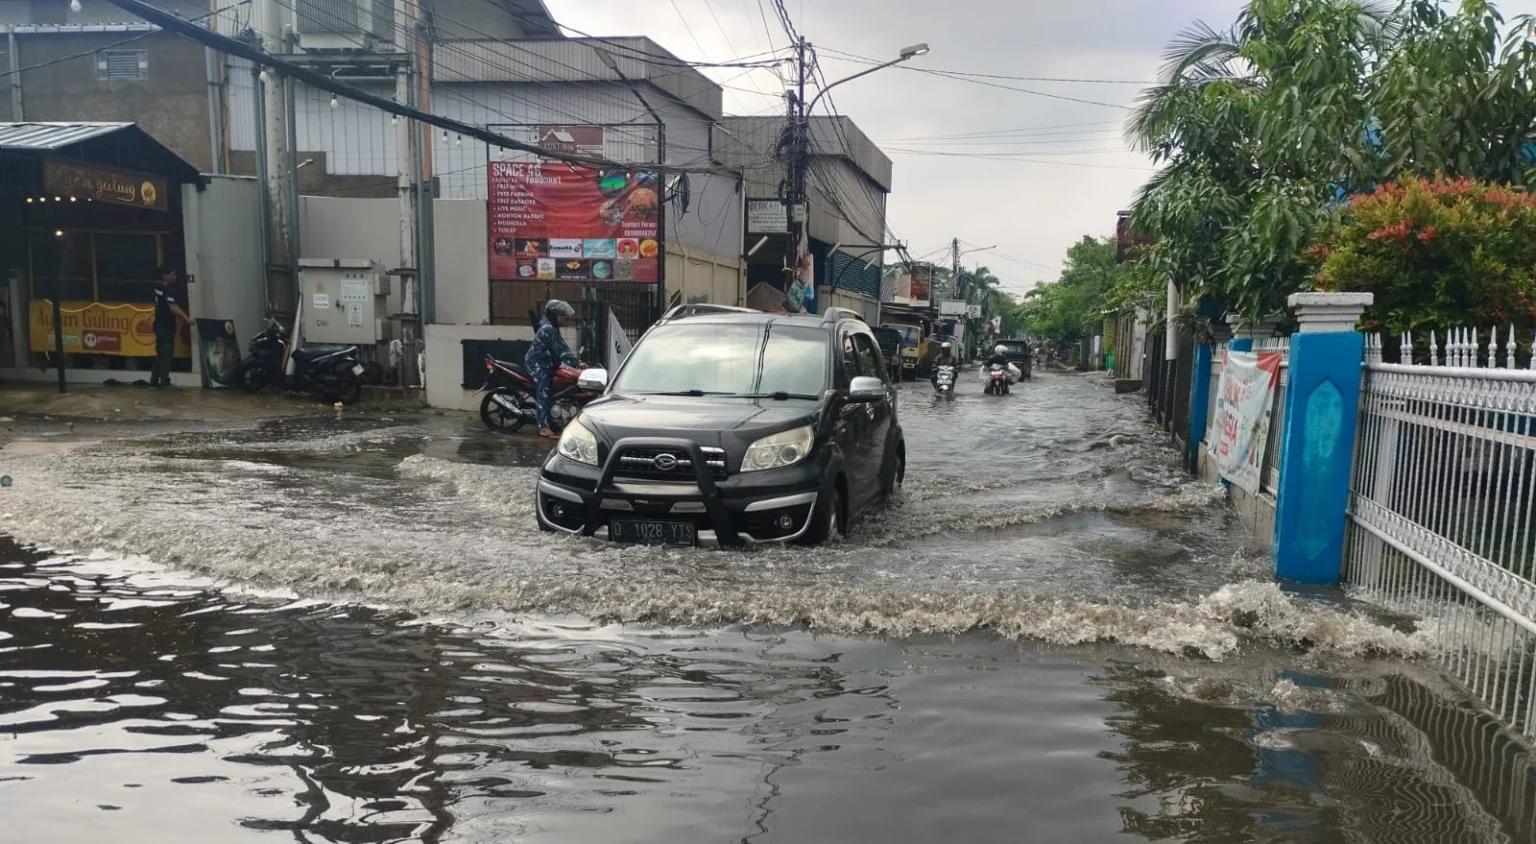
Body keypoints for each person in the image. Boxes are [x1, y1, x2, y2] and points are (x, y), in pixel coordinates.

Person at [525, 299, 580, 438]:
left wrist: (576, 361)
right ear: (553, 315)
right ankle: (543, 427)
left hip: (548, 363)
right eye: (561, 316)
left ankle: (554, 421)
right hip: (538, 364)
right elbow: (560, 350)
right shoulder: (547, 328)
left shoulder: (551, 326)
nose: (563, 319)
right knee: (543, 392)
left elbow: (562, 345)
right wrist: (575, 362)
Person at [151, 265, 190, 388]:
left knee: (160, 354)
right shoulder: (167, 289)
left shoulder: (157, 287)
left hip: (158, 325)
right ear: (165, 276)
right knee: (166, 353)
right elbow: (173, 308)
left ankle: (154, 380)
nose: (175, 277)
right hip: (166, 327)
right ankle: (164, 381)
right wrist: (187, 319)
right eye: (172, 274)